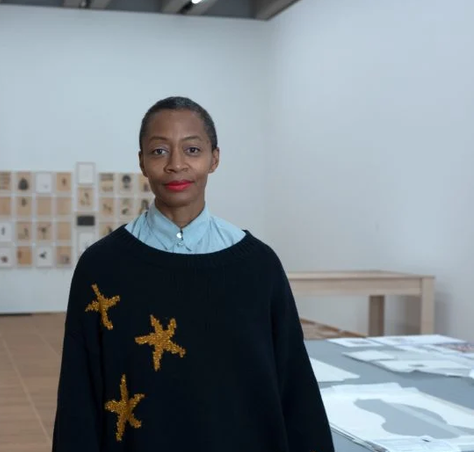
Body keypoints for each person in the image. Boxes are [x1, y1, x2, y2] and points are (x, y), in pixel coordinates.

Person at [53, 96, 334, 452]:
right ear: (141, 161)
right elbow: (79, 393)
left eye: (192, 149)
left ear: (214, 158)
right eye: (158, 151)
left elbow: (294, 386)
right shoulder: (102, 266)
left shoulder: (258, 267)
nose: (175, 165)